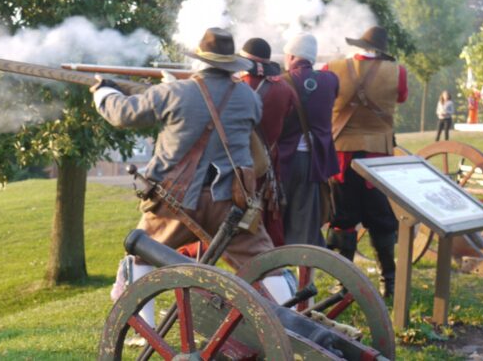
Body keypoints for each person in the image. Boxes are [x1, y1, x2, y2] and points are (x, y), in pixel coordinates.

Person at [91, 28, 294, 331]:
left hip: (175, 201)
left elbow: (123, 113)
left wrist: (103, 92)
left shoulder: (176, 92)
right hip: (233, 202)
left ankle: (145, 333)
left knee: (141, 256)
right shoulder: (248, 97)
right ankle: (293, 328)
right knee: (266, 265)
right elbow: (216, 109)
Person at [323, 26, 408, 298]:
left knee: (342, 218)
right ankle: (390, 282)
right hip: (377, 158)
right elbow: (402, 97)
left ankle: (342, 284)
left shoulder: (332, 67)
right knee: (381, 218)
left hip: (342, 157)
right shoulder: (397, 72)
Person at [280, 33, 339, 246]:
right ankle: (306, 279)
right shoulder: (331, 80)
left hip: (285, 161)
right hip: (316, 162)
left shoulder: (282, 82)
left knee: (278, 219)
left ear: (293, 56)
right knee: (307, 224)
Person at [238, 37, 294, 246]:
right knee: (269, 217)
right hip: (268, 160)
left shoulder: (236, 87)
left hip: (239, 163)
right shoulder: (285, 89)